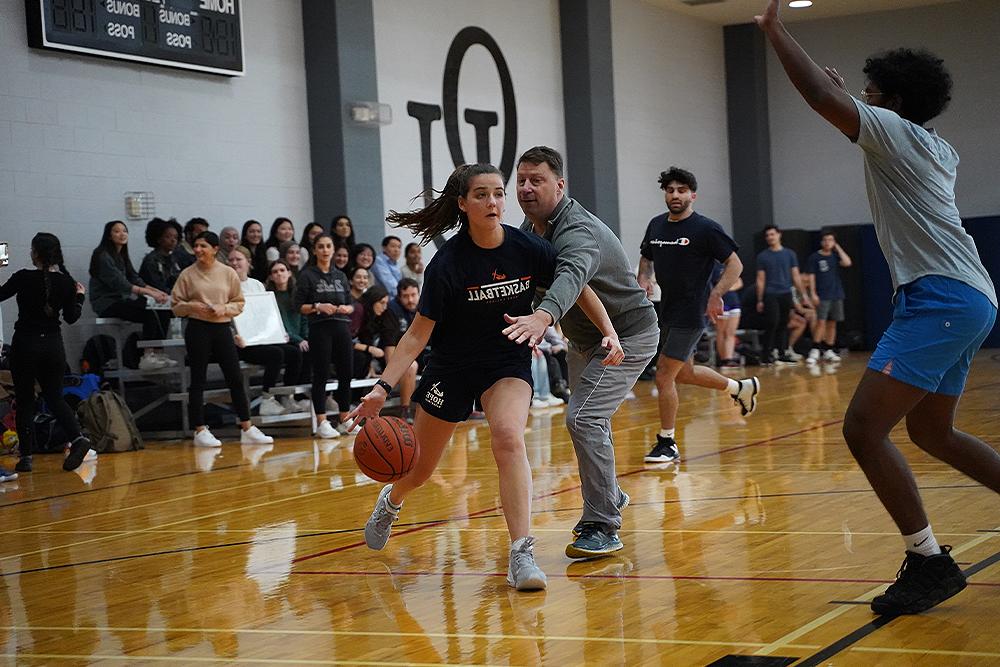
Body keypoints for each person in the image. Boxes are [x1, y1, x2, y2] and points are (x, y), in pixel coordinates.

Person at [757, 0, 998, 615]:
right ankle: (927, 558)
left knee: (864, 429)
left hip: (940, 296)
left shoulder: (894, 133)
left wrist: (775, 29)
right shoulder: (931, 143)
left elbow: (816, 96)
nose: (859, 97)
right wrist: (849, 101)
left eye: (869, 91)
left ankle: (928, 561)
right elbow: (841, 106)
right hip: (967, 295)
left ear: (889, 100)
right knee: (930, 431)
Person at [350, 163, 622, 591]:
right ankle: (392, 500)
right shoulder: (447, 265)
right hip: (452, 367)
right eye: (481, 195)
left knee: (509, 437)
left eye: (498, 193)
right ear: (463, 203)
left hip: (506, 363)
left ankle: (521, 553)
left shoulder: (527, 247)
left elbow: (578, 285)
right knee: (419, 470)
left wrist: (609, 332)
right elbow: (416, 336)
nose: (494, 202)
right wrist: (382, 389)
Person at [503, 145, 654, 559]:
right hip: (585, 341)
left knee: (583, 417)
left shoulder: (577, 230)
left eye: (537, 180)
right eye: (521, 180)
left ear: (560, 185)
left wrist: (543, 316)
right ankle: (611, 495)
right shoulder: (531, 229)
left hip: (627, 336)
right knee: (590, 420)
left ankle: (602, 524)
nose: (527, 188)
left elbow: (571, 276)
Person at [636, 167, 760, 464]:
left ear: (693, 195)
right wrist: (644, 277)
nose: (675, 195)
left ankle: (667, 442)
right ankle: (740, 388)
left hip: (692, 311)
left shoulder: (706, 228)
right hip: (666, 309)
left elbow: (735, 265)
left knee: (664, 375)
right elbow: (646, 257)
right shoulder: (656, 226)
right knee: (685, 374)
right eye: (670, 190)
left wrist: (716, 294)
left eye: (681, 190)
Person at [1, 233, 93, 474]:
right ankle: (78, 438)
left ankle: (27, 457)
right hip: (53, 346)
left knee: (25, 401)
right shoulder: (66, 282)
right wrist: (80, 297)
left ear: (36, 253)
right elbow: (72, 317)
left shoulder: (22, 277)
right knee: (55, 397)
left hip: (26, 344)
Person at [170, 232, 273, 447]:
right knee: (198, 378)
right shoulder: (187, 275)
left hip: (222, 327)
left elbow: (239, 302)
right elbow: (176, 306)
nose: (198, 250)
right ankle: (199, 430)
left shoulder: (227, 273)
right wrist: (191, 306)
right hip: (197, 328)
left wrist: (223, 308)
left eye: (203, 246)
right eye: (196, 246)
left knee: (234, 377)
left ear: (215, 249)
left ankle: (247, 427)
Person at [88, 220, 174, 370]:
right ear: (109, 236)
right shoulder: (102, 255)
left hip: (121, 300)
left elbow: (135, 278)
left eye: (125, 231)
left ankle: (159, 353)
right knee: (149, 309)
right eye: (117, 231)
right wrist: (149, 293)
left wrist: (159, 293)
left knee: (163, 309)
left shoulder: (121, 255)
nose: (122, 234)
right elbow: (121, 283)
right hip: (106, 303)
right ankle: (147, 355)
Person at [228, 247, 302, 417]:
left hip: (260, 337)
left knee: (294, 352)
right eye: (231, 260)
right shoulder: (225, 286)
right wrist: (233, 336)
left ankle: (286, 397)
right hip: (241, 342)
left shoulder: (256, 285)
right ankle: (267, 399)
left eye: (238, 259)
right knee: (275, 354)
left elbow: (266, 314)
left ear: (248, 262)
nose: (234, 263)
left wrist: (277, 332)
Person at [296, 233, 355, 438]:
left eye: (328, 246)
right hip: (320, 328)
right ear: (315, 250)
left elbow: (349, 302)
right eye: (320, 246)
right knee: (321, 374)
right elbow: (299, 306)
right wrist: (317, 306)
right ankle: (321, 422)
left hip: (341, 327)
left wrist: (347, 308)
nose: (325, 250)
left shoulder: (340, 275)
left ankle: (345, 419)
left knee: (346, 373)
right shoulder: (307, 275)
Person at [352, 284, 417, 419]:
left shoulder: (373, 316)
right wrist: (369, 349)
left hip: (364, 357)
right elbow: (346, 340)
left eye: (386, 303)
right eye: (382, 303)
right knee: (361, 358)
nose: (385, 307)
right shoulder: (358, 310)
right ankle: (352, 403)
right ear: (373, 300)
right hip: (346, 353)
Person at [755, 225, 807, 364]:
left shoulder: (790, 254)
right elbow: (760, 279)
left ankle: (782, 352)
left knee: (784, 323)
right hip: (771, 293)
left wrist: (803, 296)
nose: (770, 237)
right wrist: (760, 299)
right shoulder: (763, 256)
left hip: (786, 293)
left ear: (779, 235)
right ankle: (766, 354)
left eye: (772, 234)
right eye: (767, 235)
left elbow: (796, 276)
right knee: (772, 322)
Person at [267, 259, 311, 412]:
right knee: (296, 353)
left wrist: (305, 338)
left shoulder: (298, 295)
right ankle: (288, 395)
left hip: (299, 338)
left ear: (289, 273)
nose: (279, 274)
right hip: (282, 338)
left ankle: (304, 396)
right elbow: (280, 323)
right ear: (271, 277)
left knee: (313, 350)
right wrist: (298, 340)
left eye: (282, 270)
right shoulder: (270, 297)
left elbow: (305, 318)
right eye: (275, 272)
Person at [804, 230, 852, 364]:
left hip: (836, 294)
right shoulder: (815, 257)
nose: (827, 242)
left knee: (833, 323)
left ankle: (829, 349)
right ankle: (815, 349)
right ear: (821, 242)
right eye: (825, 240)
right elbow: (811, 276)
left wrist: (837, 247)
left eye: (830, 240)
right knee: (821, 322)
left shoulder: (835, 256)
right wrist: (813, 293)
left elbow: (847, 262)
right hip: (822, 295)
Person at [139, 217, 186, 292]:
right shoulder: (151, 260)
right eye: (168, 237)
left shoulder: (173, 258)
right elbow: (157, 286)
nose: (173, 240)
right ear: (158, 239)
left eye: (176, 237)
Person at [711, 263, 744, 367]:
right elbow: (714, 285)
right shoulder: (713, 266)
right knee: (721, 332)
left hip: (734, 301)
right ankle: (723, 359)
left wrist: (727, 287)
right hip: (721, 301)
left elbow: (739, 282)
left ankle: (729, 358)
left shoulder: (731, 264)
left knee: (731, 333)